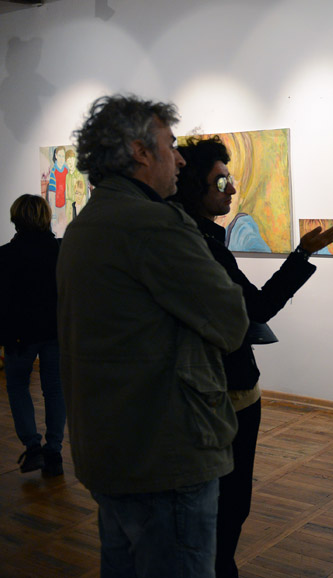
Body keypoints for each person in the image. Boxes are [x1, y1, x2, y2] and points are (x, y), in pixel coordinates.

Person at [57, 94, 249, 578]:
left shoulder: (85, 225)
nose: (180, 160)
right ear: (141, 152)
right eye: (171, 145)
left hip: (111, 449)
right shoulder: (153, 224)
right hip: (165, 453)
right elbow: (232, 321)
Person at [171, 136, 333, 578]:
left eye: (230, 179)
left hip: (227, 391)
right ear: (193, 185)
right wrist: (302, 255)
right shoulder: (199, 246)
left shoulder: (202, 240)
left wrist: (303, 253)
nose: (231, 189)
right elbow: (258, 307)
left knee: (228, 506)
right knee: (227, 505)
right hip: (225, 394)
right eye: (220, 181)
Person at [0, 194, 66, 477]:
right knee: (55, 389)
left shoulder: (5, 255)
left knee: (17, 387)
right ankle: (54, 452)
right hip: (56, 332)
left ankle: (33, 446)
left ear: (16, 219)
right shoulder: (61, 251)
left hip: (19, 336)